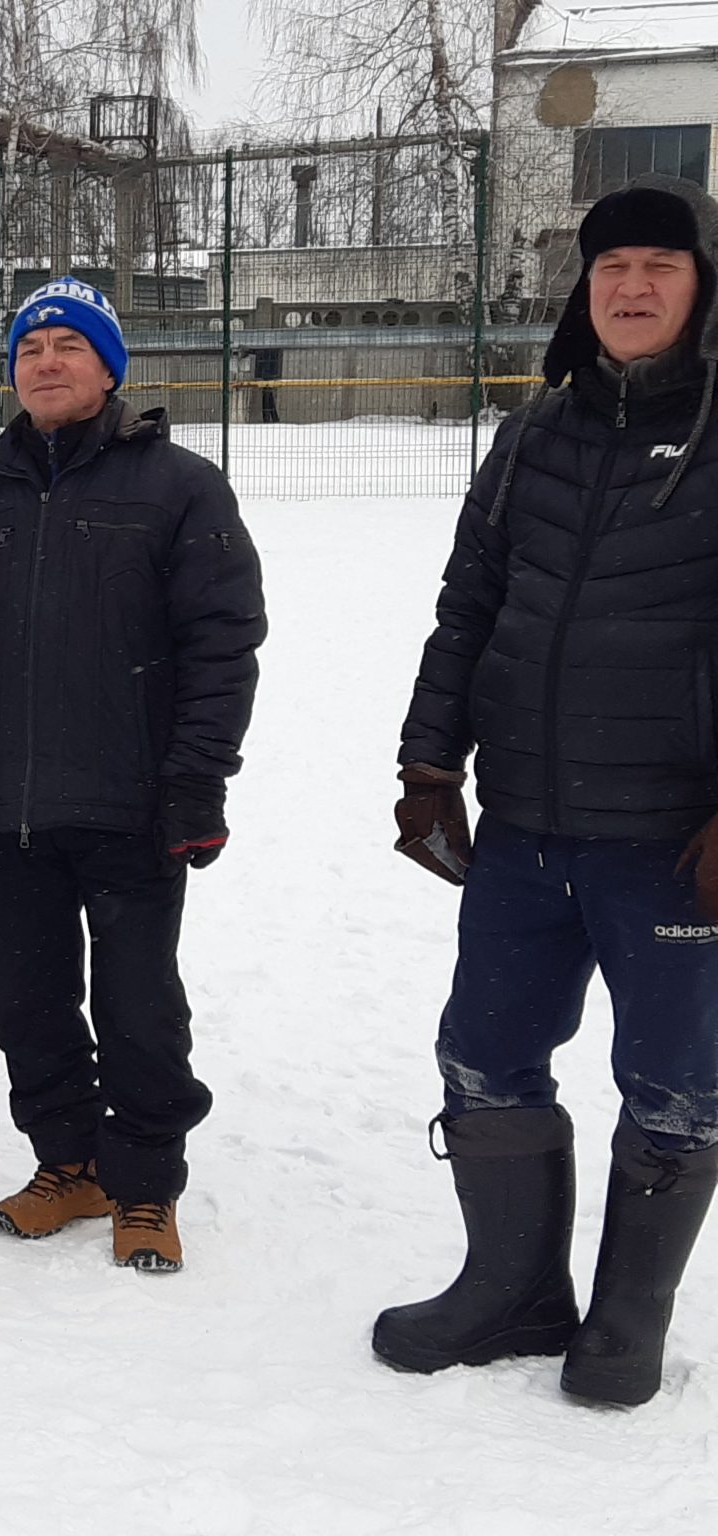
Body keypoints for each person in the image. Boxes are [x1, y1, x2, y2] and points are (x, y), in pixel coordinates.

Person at [375, 174, 718, 1407]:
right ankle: (513, 1291)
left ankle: (626, 1320)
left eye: (658, 268)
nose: (630, 289)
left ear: (699, 286)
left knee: (675, 1081)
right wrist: (427, 762)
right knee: (484, 1051)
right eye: (610, 268)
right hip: (524, 823)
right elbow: (468, 606)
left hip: (673, 843)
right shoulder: (536, 432)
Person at [0, 278, 265, 1273]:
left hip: (130, 805)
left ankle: (143, 1184)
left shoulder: (178, 488)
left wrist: (195, 780)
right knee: (21, 1002)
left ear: (108, 368)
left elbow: (221, 645)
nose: (45, 363)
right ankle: (69, 1162)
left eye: (67, 345)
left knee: (138, 1007)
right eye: (29, 349)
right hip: (5, 805)